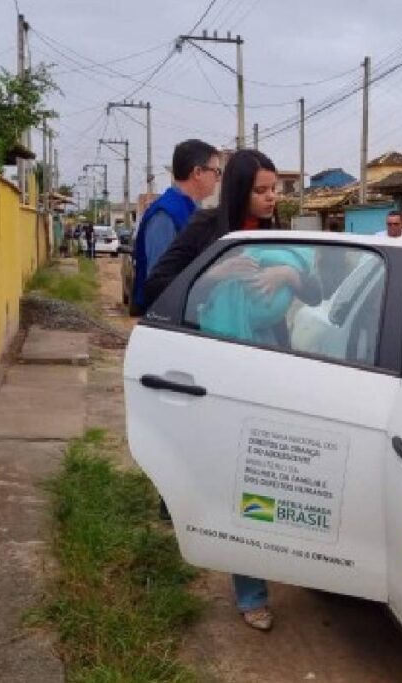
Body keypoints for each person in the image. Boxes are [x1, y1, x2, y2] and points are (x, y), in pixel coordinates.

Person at [144, 149, 321, 632]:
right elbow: (155, 287)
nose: (271, 198)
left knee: (265, 477)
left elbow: (318, 291)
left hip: (271, 370)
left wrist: (290, 275)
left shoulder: (277, 234)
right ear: (240, 188)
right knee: (239, 479)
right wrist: (212, 273)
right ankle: (250, 592)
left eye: (274, 189)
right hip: (220, 370)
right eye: (261, 190)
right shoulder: (207, 229)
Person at [131, 139, 221, 313]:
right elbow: (157, 282)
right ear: (197, 172)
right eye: (216, 171)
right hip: (167, 315)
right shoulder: (165, 215)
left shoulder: (192, 210)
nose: (218, 178)